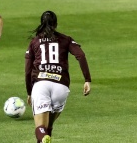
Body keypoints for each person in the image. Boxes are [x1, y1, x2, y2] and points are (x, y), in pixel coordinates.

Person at [25, 11, 91, 143]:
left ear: (41, 23)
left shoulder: (35, 42)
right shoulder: (66, 39)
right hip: (61, 86)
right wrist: (87, 80)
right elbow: (81, 56)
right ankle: (46, 137)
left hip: (41, 85)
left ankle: (43, 138)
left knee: (40, 128)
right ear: (56, 24)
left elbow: (28, 70)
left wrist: (29, 92)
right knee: (49, 126)